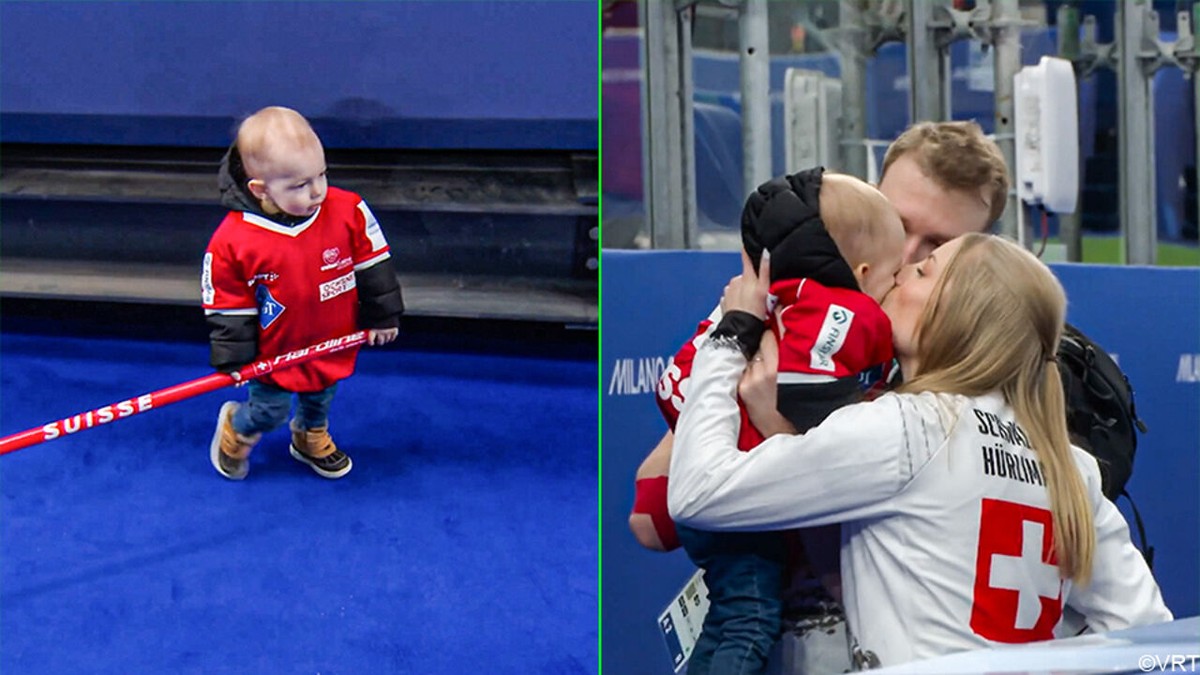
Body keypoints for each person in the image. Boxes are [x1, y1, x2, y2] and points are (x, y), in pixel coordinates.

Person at [667, 233, 1173, 669]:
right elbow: (1148, 635)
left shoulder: (910, 427)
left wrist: (730, 335)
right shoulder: (1070, 465)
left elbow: (697, 493)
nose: (903, 273)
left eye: (925, 271)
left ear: (958, 315)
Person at [631, 120, 1008, 552]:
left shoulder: (980, 368)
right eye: (898, 225)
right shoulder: (783, 306)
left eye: (936, 246)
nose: (905, 256)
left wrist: (778, 429)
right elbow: (653, 516)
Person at [654, 169, 903, 675]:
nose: (898, 284)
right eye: (896, 271)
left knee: (730, 620)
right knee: (748, 622)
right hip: (737, 500)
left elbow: (674, 389)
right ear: (860, 270)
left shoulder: (760, 306)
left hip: (717, 495)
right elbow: (815, 398)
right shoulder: (845, 311)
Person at [202, 106, 405, 481]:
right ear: (260, 189)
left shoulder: (348, 210)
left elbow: (373, 265)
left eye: (321, 175)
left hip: (332, 337)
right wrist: (234, 358)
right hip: (275, 351)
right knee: (270, 411)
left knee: (321, 397)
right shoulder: (232, 241)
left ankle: (309, 436)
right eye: (298, 185)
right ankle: (238, 426)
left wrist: (382, 315)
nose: (317, 191)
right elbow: (227, 304)